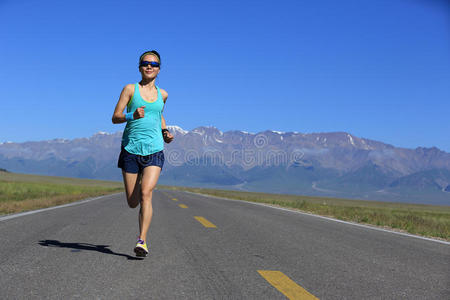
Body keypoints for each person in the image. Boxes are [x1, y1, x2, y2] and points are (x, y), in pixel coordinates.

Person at [112, 50, 174, 257]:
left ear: (159, 69)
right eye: (145, 63)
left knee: (147, 194)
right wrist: (132, 115)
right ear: (139, 67)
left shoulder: (163, 94)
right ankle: (139, 183)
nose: (149, 66)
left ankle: (142, 241)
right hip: (130, 149)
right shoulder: (130, 89)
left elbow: (159, 115)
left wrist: (165, 132)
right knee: (132, 202)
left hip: (155, 149)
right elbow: (115, 117)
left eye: (154, 64)